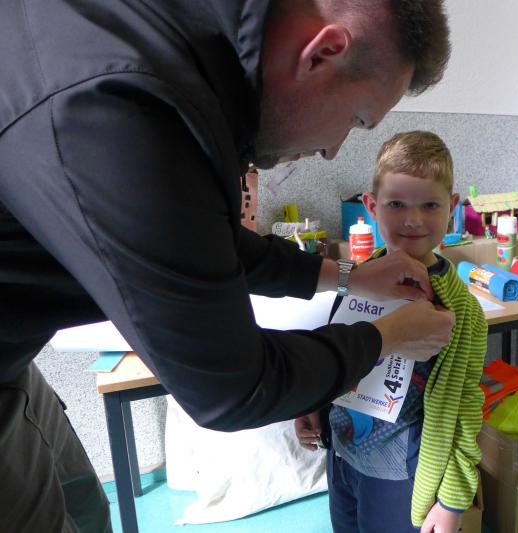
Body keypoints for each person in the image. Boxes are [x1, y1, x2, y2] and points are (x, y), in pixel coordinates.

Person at [0, 1, 453, 531]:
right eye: (355, 119)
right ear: (321, 54)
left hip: (15, 359)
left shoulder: (182, 59)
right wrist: (388, 336)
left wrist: (349, 275)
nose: (334, 150)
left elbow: (200, 239)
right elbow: (234, 388)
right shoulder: (123, 108)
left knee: (86, 511)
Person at [295, 131, 487, 533]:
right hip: (343, 456)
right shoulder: (357, 280)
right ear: (371, 206)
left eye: (430, 205)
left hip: (402, 474)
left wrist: (453, 501)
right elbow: (336, 351)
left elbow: (466, 405)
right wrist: (312, 403)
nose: (413, 220)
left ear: (452, 208)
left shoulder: (462, 310)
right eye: (396, 204)